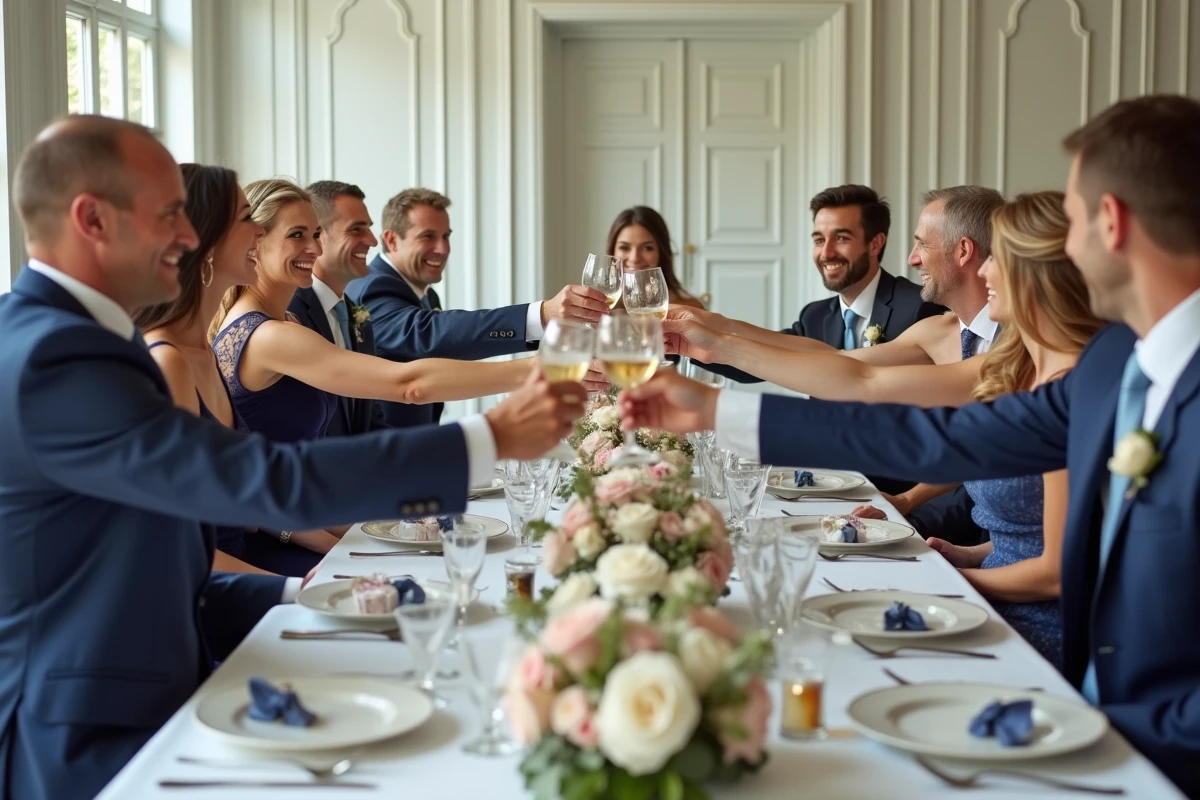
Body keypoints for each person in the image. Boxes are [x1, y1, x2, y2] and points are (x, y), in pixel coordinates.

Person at [618, 95, 1200, 797]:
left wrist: (1124, 741)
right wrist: (715, 410)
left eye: (1072, 221)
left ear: (1112, 222)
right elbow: (937, 436)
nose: (1062, 250)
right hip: (1093, 721)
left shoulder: (1103, 362)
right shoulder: (1110, 366)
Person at [0, 115, 584, 800]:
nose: (188, 237)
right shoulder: (55, 356)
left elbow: (160, 560)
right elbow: (256, 480)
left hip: (160, 696)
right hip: (84, 739)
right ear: (92, 219)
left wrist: (308, 593)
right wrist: (487, 441)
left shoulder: (88, 340)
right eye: (169, 215)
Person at [210, 179, 553, 575]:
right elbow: (408, 385)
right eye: (297, 235)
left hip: (312, 521)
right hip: (270, 549)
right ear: (255, 243)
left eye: (316, 234)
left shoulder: (283, 322)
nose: (314, 248)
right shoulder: (271, 335)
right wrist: (538, 371)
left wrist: (366, 527)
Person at [668, 185, 1005, 542]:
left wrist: (711, 402)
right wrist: (714, 331)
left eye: (922, 244)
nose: (912, 259)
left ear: (963, 250)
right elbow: (841, 362)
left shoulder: (1013, 348)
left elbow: (864, 382)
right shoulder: (940, 331)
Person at [135, 166, 343, 573]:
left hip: (251, 558)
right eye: (247, 219)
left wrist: (361, 532)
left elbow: (251, 492)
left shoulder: (205, 351)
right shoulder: (170, 359)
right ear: (205, 241)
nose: (258, 233)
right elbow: (176, 543)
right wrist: (294, 589)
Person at [347, 187, 611, 427]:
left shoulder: (426, 295)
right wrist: (540, 315)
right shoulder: (373, 286)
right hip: (386, 447)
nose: (442, 248)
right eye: (428, 236)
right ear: (392, 240)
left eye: (446, 236)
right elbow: (426, 334)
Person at [288, 179, 389, 436]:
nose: (372, 241)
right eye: (356, 229)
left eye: (369, 229)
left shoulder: (358, 316)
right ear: (318, 235)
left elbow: (370, 419)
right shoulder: (288, 315)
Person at [606, 205, 705, 309]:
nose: (634, 258)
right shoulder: (601, 304)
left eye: (647, 248)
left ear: (662, 251)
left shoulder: (689, 308)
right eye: (624, 247)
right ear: (612, 251)